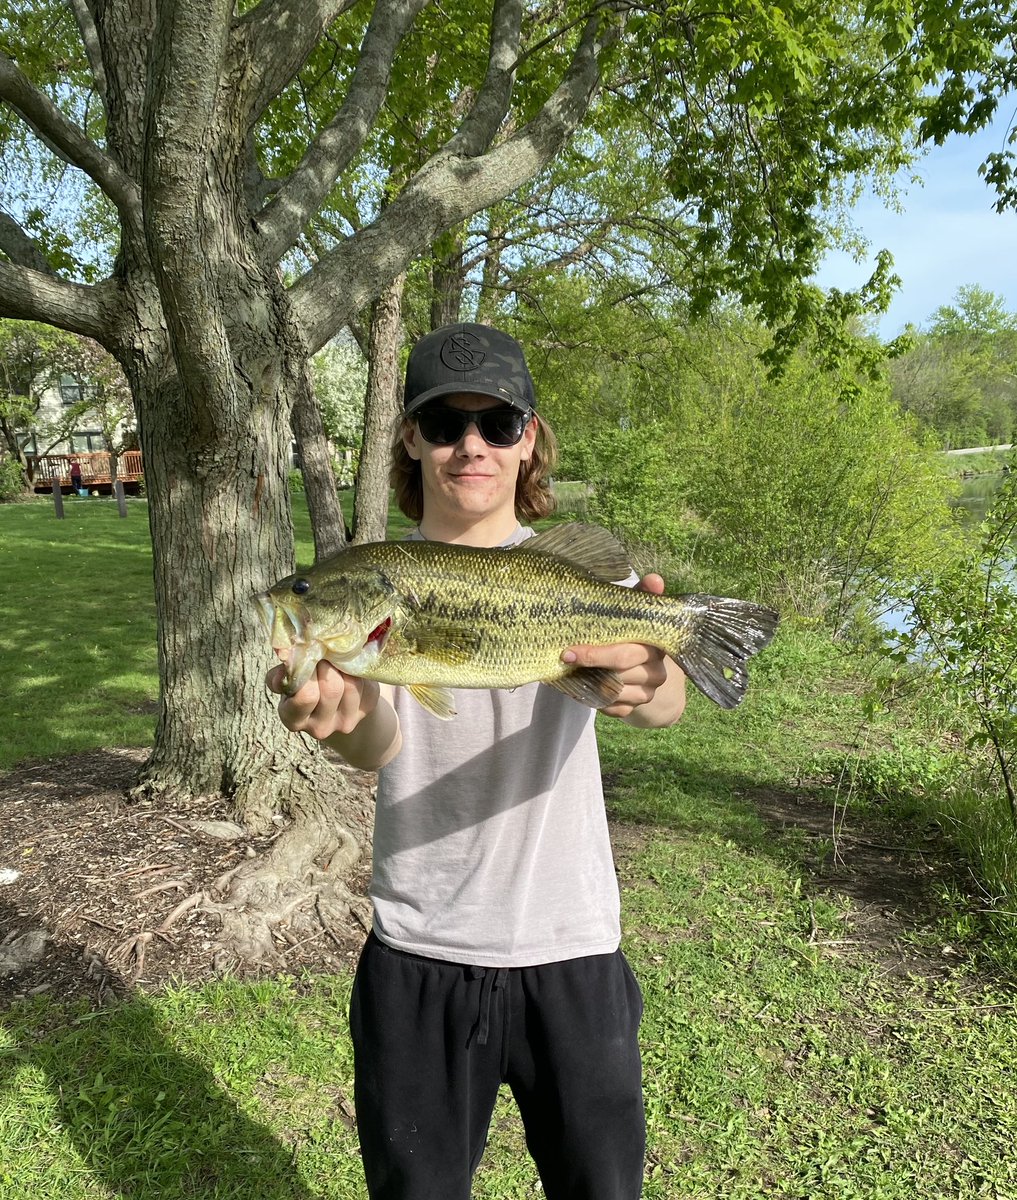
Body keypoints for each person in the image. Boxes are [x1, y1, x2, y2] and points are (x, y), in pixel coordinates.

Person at [267, 322, 687, 1200]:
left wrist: (647, 678)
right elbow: (377, 741)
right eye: (446, 423)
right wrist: (341, 725)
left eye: (496, 424)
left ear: (527, 436)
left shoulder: (570, 578)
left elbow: (664, 697)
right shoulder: (378, 591)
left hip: (571, 945)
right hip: (420, 948)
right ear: (411, 436)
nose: (471, 446)